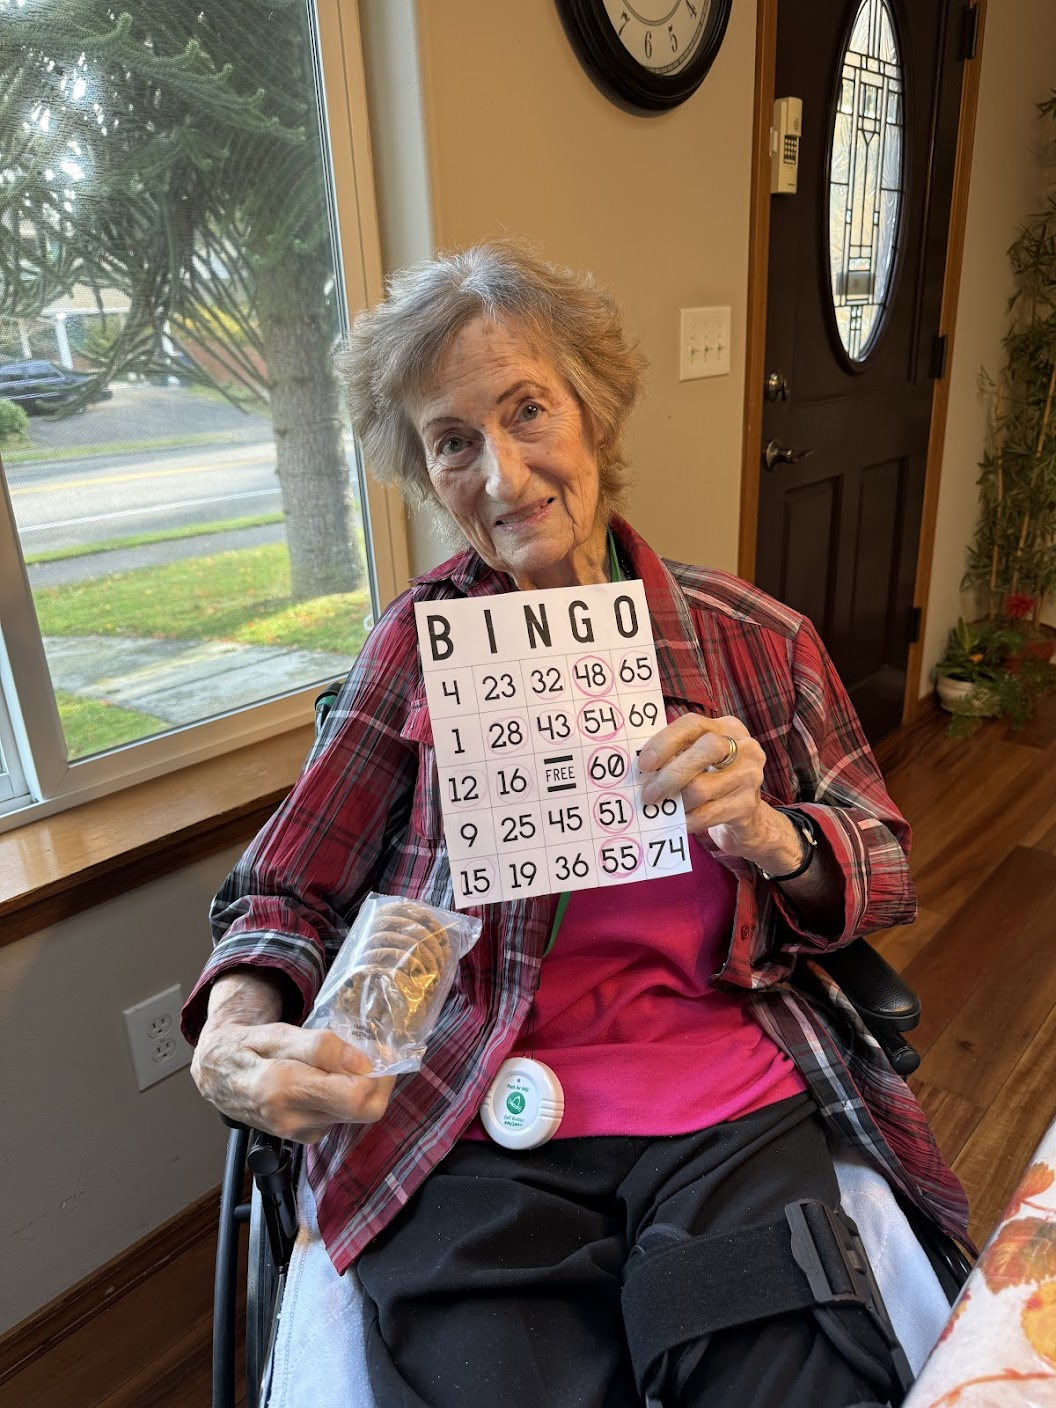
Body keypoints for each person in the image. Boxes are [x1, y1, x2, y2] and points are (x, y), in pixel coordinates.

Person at [183, 241, 969, 1408]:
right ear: (427, 472)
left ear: (593, 414)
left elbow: (885, 864)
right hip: (470, 1099)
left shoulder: (758, 638)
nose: (502, 476)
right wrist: (235, 1026)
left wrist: (772, 832)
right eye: (454, 442)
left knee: (786, 1379)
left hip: (722, 1101)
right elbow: (284, 887)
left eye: (527, 411)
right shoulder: (413, 646)